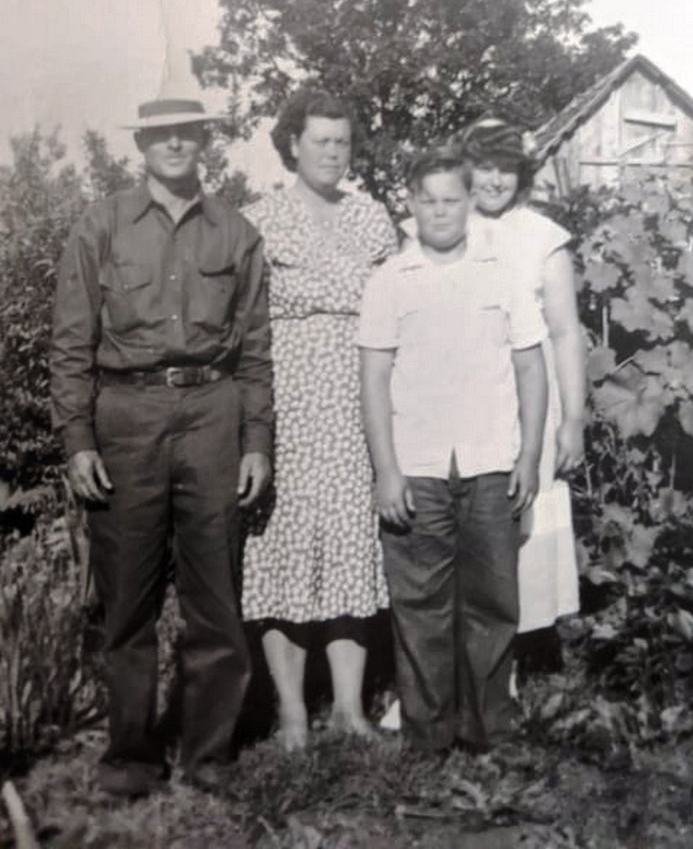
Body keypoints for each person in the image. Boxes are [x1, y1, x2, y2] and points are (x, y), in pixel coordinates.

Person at [50, 96, 273, 797]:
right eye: (162, 134)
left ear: (205, 142)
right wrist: (78, 437)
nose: (175, 144)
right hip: (126, 417)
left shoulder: (237, 232)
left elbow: (256, 351)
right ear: (141, 145)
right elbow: (70, 343)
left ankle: (210, 756)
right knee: (127, 601)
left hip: (213, 414)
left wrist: (256, 440)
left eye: (188, 133)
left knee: (216, 597)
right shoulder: (100, 225)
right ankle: (130, 758)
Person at [358, 146, 548, 751]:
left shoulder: (503, 276)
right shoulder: (390, 281)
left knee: (492, 601)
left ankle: (490, 728)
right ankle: (429, 736)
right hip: (418, 467)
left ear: (470, 203)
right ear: (411, 206)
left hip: (492, 463)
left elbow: (531, 368)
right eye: (428, 201)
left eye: (451, 200)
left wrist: (529, 456)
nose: (440, 212)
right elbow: (374, 379)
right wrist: (386, 470)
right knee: (421, 604)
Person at [241, 87, 398, 750]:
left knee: (350, 542)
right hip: (288, 404)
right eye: (321, 141)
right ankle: (292, 714)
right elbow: (242, 324)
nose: (334, 153)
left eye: (343, 142)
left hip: (358, 400)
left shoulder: (372, 219)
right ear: (292, 145)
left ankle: (350, 710)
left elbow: (396, 310)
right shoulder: (257, 221)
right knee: (284, 546)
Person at [460, 116, 585, 664]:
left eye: (506, 169)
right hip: (461, 399)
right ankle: (468, 650)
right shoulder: (440, 226)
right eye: (484, 167)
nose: (494, 180)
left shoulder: (543, 238)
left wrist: (573, 418)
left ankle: (512, 653)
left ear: (522, 175)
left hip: (528, 400)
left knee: (524, 506)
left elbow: (565, 333)